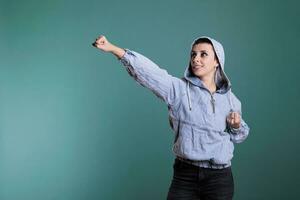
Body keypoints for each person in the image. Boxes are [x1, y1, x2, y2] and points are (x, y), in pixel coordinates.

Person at [92, 35, 250, 200]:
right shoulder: (178, 89)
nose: (196, 59)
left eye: (203, 54)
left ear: (217, 61)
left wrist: (237, 125)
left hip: (219, 179)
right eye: (193, 54)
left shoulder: (231, 99)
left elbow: (240, 136)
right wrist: (115, 50)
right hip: (186, 175)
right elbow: (150, 73)